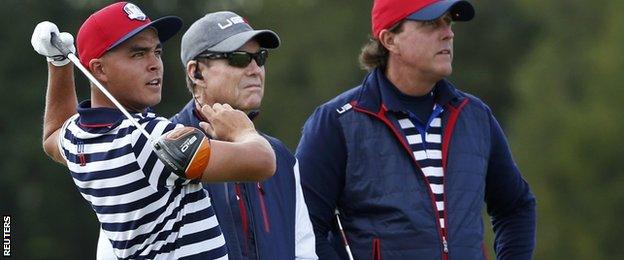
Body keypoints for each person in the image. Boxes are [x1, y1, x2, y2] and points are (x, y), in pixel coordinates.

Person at [31, 2, 276, 259]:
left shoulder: (78, 137)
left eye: (156, 52)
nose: (154, 64)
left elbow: (52, 134)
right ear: (99, 69)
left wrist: (58, 63)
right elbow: (263, 162)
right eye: (138, 54)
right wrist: (243, 131)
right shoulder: (149, 139)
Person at [295, 0, 536, 259]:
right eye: (432, 23)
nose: (448, 33)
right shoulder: (337, 122)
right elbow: (303, 230)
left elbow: (516, 207)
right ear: (390, 40)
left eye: (448, 21)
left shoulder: (475, 116)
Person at [172, 11, 317, 260]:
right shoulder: (162, 145)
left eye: (260, 57)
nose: (255, 69)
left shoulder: (281, 157)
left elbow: (303, 254)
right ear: (196, 73)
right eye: (238, 58)